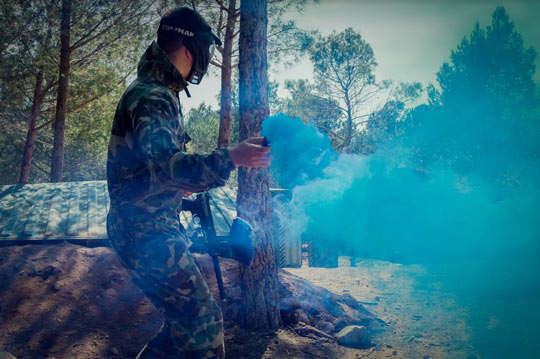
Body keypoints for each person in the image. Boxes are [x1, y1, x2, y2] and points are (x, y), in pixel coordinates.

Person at [106, 7, 271, 359]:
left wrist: (185, 183)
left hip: (145, 229)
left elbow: (151, 171)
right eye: (204, 48)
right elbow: (165, 165)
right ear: (188, 46)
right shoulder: (153, 95)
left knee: (182, 325)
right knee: (202, 323)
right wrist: (232, 157)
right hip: (146, 232)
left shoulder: (158, 92)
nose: (207, 59)